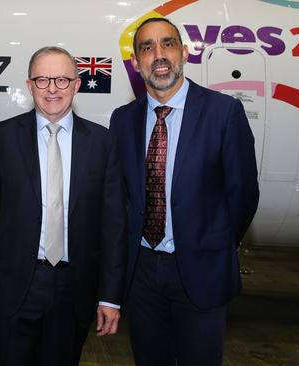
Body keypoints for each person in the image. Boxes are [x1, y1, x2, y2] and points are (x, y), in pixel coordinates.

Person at [109, 18, 260, 365]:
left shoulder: (224, 113)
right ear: (136, 63)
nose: (158, 54)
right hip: (142, 276)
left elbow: (243, 196)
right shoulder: (122, 120)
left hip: (200, 273)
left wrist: (210, 244)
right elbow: (120, 198)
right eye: (147, 47)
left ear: (184, 53)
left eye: (167, 44)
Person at [0, 46, 127, 366]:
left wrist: (110, 296)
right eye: (42, 80)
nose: (52, 88)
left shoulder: (102, 142)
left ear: (76, 84)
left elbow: (114, 226)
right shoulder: (2, 137)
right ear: (29, 86)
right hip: (14, 287)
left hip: (74, 290)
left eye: (61, 80)